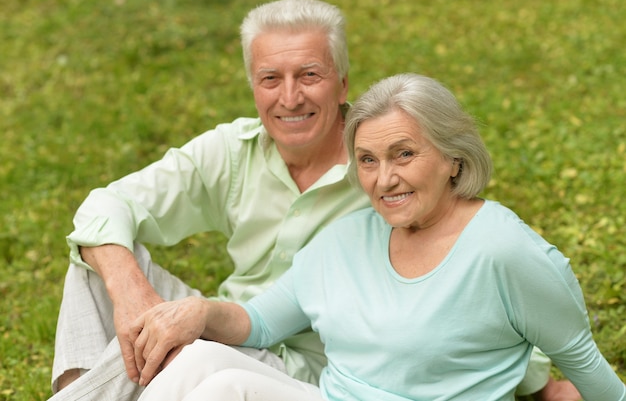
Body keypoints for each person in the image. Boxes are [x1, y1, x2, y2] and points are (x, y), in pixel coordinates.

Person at [49, 0, 580, 401]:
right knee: (101, 261)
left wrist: (537, 383)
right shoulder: (230, 151)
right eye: (270, 79)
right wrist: (135, 296)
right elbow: (103, 208)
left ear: (343, 81)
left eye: (309, 75)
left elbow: (473, 286)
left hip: (314, 375)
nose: (290, 97)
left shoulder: (386, 172)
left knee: (185, 354)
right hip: (233, 326)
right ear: (253, 87)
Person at [133, 73, 626, 401]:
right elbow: (261, 321)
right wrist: (201, 313)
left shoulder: (504, 250)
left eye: (404, 154)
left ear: (454, 157)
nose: (383, 179)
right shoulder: (346, 238)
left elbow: (580, 358)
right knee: (203, 363)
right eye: (368, 160)